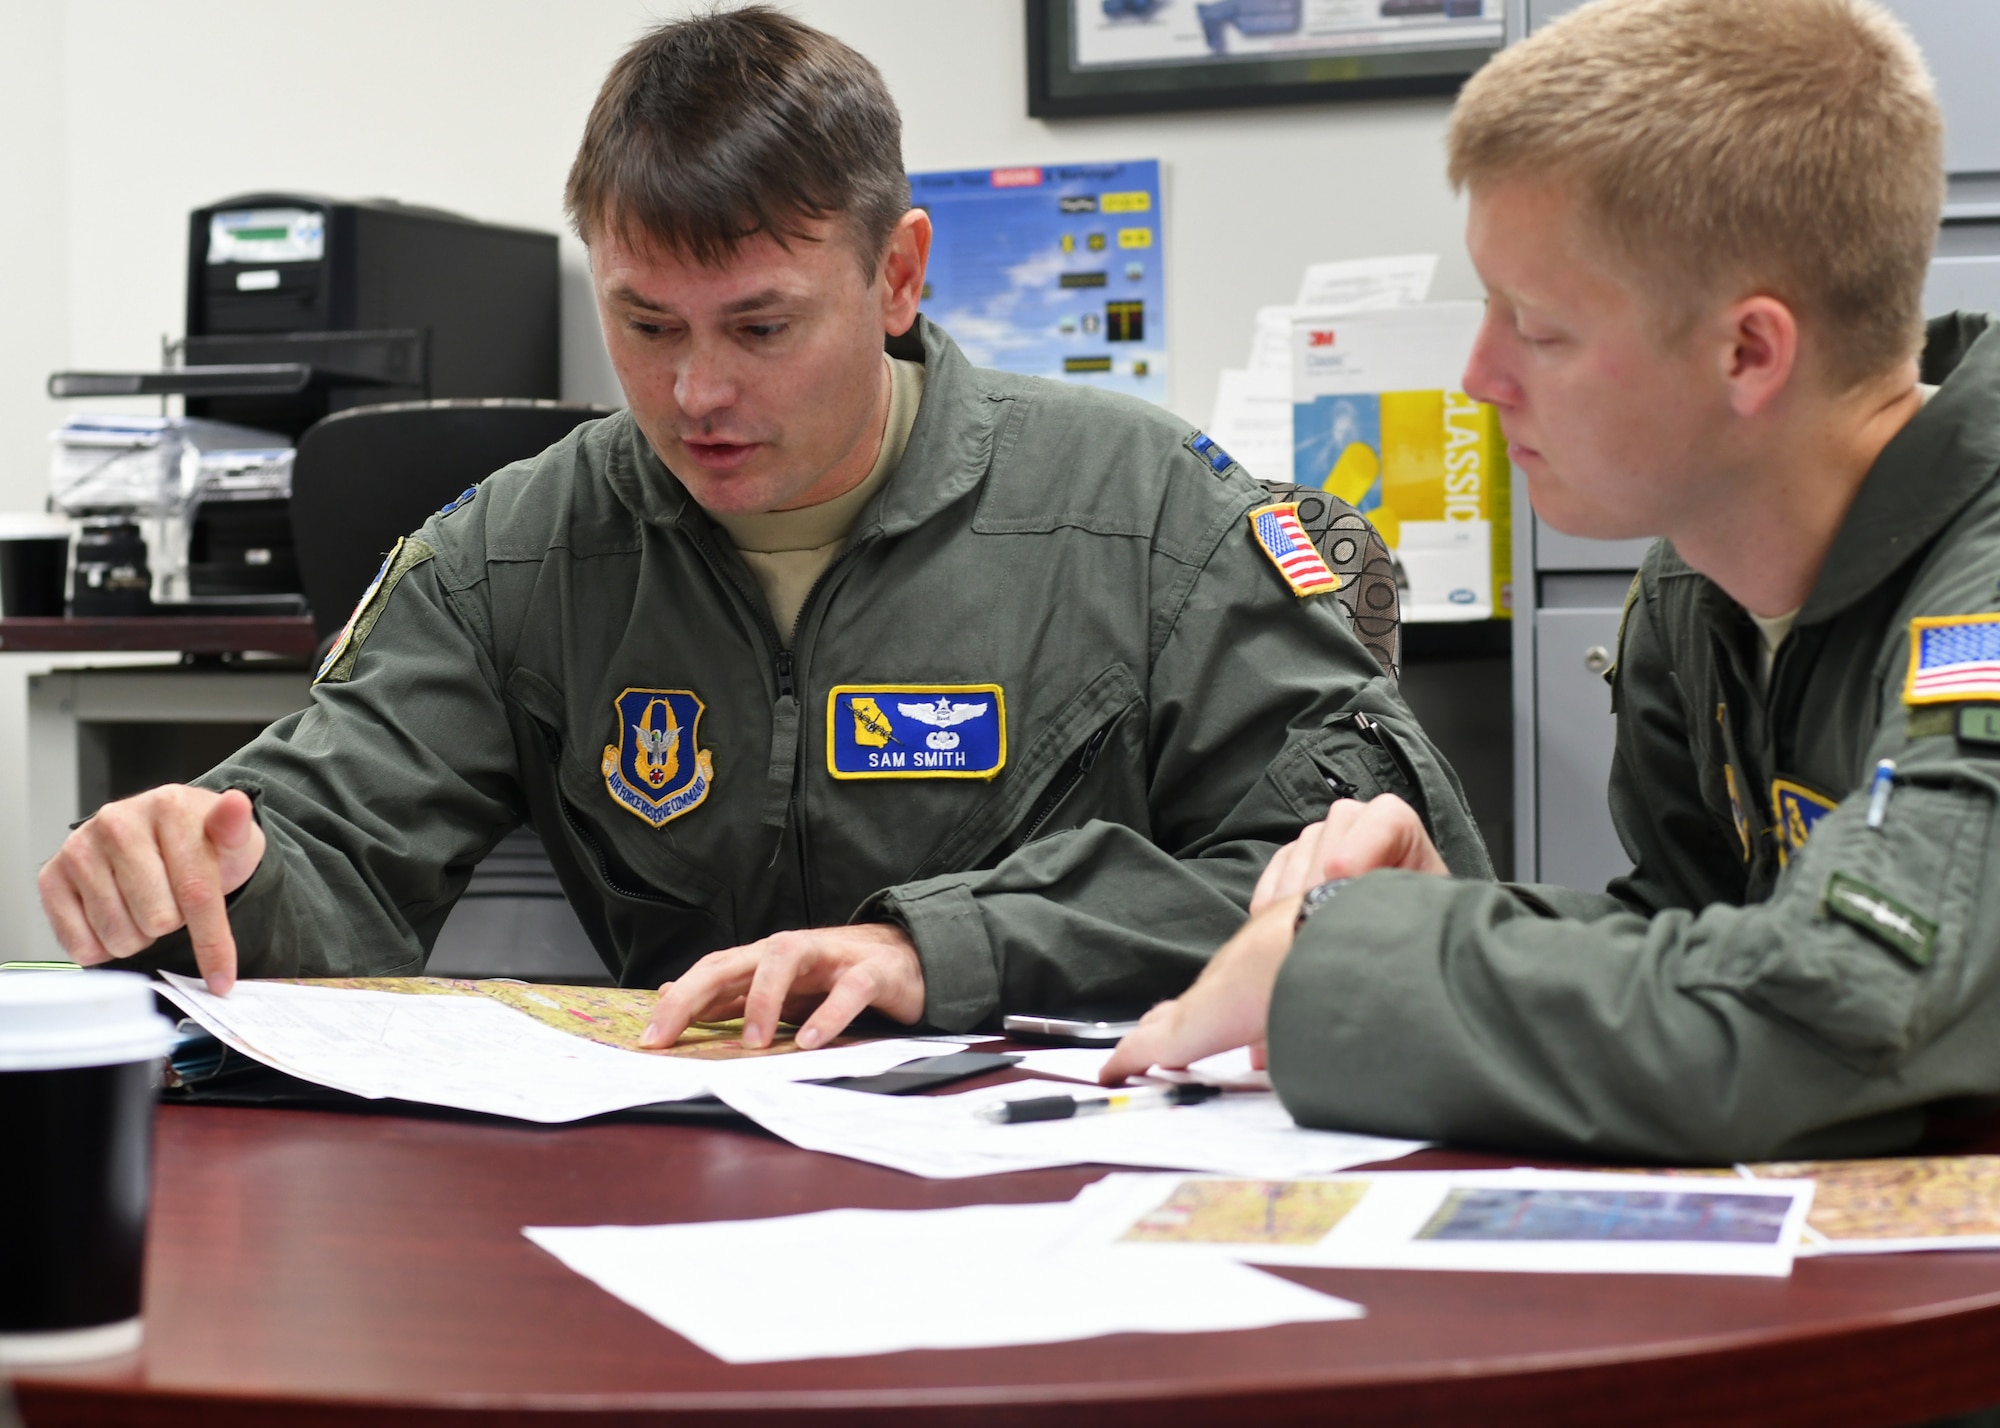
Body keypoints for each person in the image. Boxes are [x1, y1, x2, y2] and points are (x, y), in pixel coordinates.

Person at [38, 7, 1487, 1053]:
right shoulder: (524, 550)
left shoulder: (1150, 517)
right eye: (644, 323)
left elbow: (1381, 892)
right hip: (668, 1192)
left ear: (899, 275)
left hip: (1063, 1181)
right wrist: (201, 870)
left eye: (762, 325)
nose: (696, 391)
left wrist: (945, 944)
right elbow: (329, 845)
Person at [1104, 0, 1996, 1164]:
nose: (1478, 378)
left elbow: (1837, 1011)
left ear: (1747, 352)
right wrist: (1435, 924)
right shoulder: (1698, 588)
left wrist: (1352, 966)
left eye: (1535, 326)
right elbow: (1699, 937)